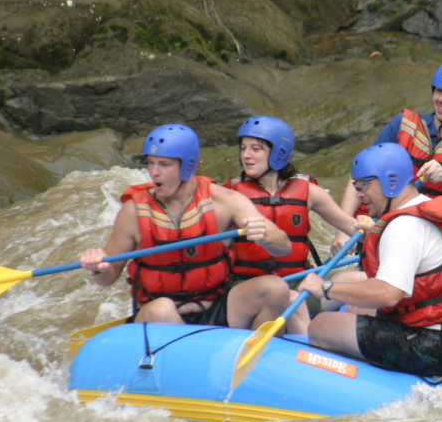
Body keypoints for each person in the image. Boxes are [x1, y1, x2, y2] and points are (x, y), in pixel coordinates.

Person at [299, 143, 442, 377]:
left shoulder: (403, 227)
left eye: (363, 185)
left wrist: (326, 288)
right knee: (355, 306)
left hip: (441, 350)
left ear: (390, 182)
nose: (358, 194)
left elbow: (388, 293)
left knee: (322, 326)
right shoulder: (424, 206)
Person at [79, 124, 294, 332]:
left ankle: (256, 359)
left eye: (164, 164)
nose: (154, 172)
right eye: (150, 163)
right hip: (158, 315)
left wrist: (266, 236)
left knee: (275, 288)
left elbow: (283, 247)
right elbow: (107, 279)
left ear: (188, 166)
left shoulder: (224, 201)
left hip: (216, 309)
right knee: (162, 310)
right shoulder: (133, 212)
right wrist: (98, 267)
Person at [333, 59, 442, 250]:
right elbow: (358, 176)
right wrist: (342, 232)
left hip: (430, 229)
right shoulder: (402, 124)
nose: (441, 99)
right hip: (384, 224)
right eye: (438, 91)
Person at [224, 115, 356, 283]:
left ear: (279, 153)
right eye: (243, 148)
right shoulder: (230, 194)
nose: (245, 155)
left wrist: (363, 232)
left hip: (297, 282)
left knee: (355, 279)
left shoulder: (309, 191)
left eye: (255, 149)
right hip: (247, 285)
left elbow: (351, 227)